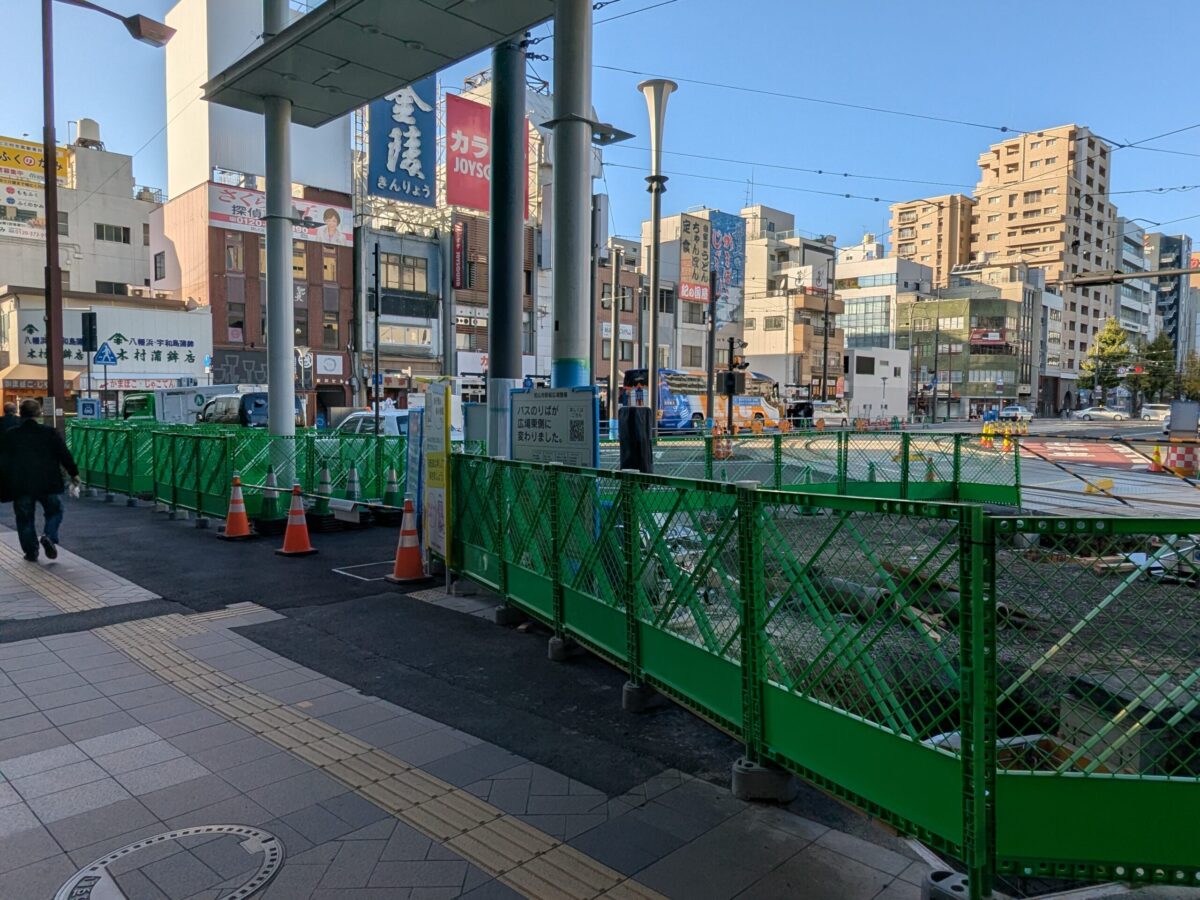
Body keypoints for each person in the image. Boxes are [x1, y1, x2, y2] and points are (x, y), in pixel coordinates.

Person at [0, 399, 79, 562]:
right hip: (47, 482)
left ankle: (31, 552)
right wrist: (74, 473)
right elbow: (63, 454)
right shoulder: (49, 432)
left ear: (20, 414)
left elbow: (4, 461)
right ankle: (49, 535)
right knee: (55, 510)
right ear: (38, 413)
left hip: (20, 484)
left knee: (24, 519)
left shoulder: (11, 435)